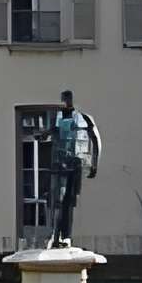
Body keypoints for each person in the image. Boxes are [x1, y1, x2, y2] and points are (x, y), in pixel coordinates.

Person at [41, 90, 101, 245]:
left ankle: (65, 236)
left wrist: (94, 164)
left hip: (75, 165)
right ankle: (55, 236)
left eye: (67, 99)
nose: (65, 102)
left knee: (68, 202)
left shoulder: (84, 117)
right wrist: (43, 135)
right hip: (58, 165)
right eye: (64, 99)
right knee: (57, 200)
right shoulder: (56, 118)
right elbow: (50, 134)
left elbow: (96, 140)